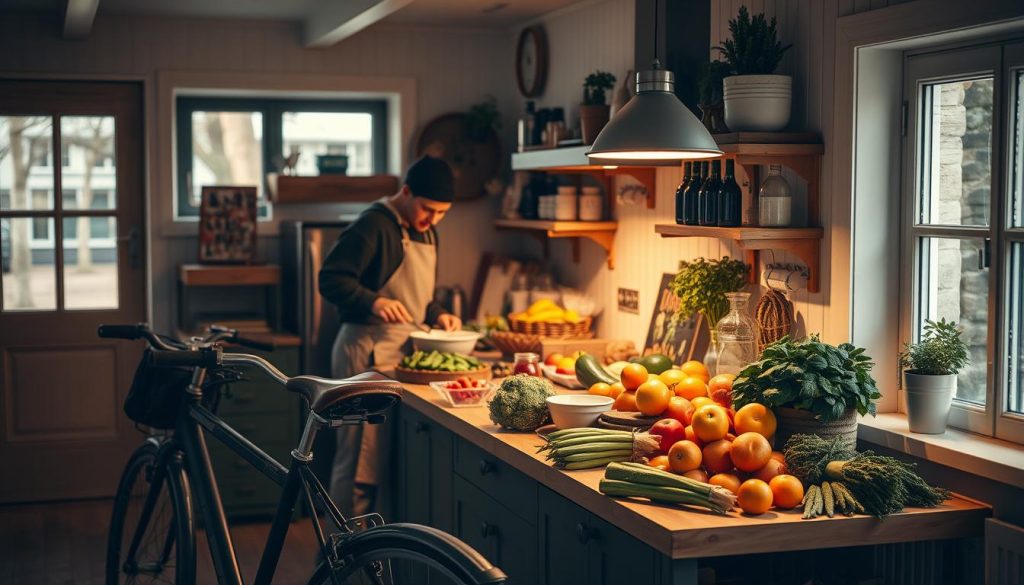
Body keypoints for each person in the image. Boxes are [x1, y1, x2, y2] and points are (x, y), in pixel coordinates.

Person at [318, 155, 462, 519]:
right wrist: (374, 301)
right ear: (406, 191)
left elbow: (419, 297)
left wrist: (438, 313)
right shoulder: (374, 225)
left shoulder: (427, 231)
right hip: (364, 352)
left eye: (443, 212)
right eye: (429, 209)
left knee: (381, 463)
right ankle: (343, 558)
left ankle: (374, 555)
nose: (434, 220)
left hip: (396, 357)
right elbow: (331, 279)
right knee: (359, 465)